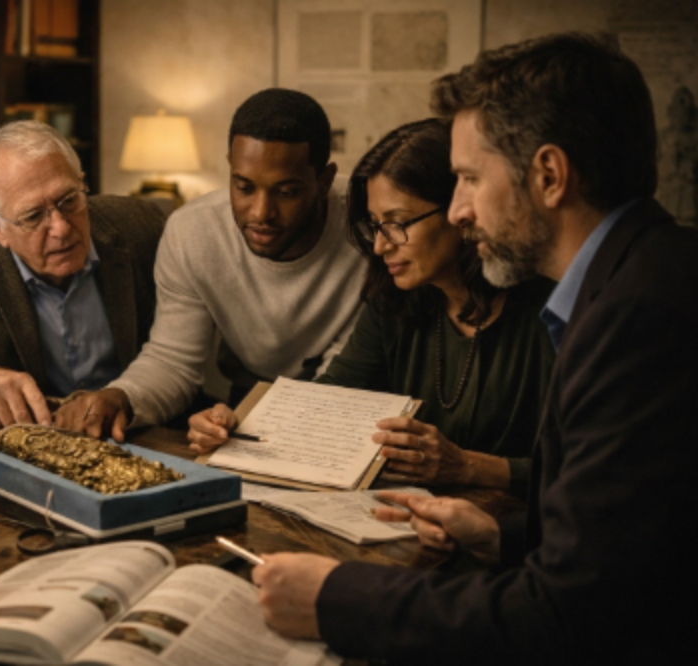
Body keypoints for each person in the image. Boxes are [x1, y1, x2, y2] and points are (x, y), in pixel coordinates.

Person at [251, 33, 698, 664]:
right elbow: (622, 548)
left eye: (467, 179)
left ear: (548, 175)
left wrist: (336, 598)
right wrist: (497, 534)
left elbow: (567, 617)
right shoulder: (642, 275)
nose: (458, 210)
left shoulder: (637, 321)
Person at [187, 119, 555, 494]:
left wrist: (469, 467)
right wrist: (235, 425)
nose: (380, 247)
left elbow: (600, 474)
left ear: (460, 210)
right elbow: (329, 400)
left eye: (397, 223)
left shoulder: (553, 311)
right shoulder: (395, 301)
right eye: (375, 225)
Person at [54, 89, 366, 439]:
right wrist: (122, 397)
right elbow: (173, 361)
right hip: (248, 397)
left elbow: (351, 370)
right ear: (230, 167)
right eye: (244, 187)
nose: (261, 213)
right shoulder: (192, 232)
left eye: (286, 192)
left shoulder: (371, 224)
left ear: (323, 182)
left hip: (351, 397)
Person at [0, 121, 166, 428]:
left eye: (69, 200)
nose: (61, 229)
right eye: (34, 216)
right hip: (38, 444)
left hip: (138, 432)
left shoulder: (140, 227)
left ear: (82, 183)